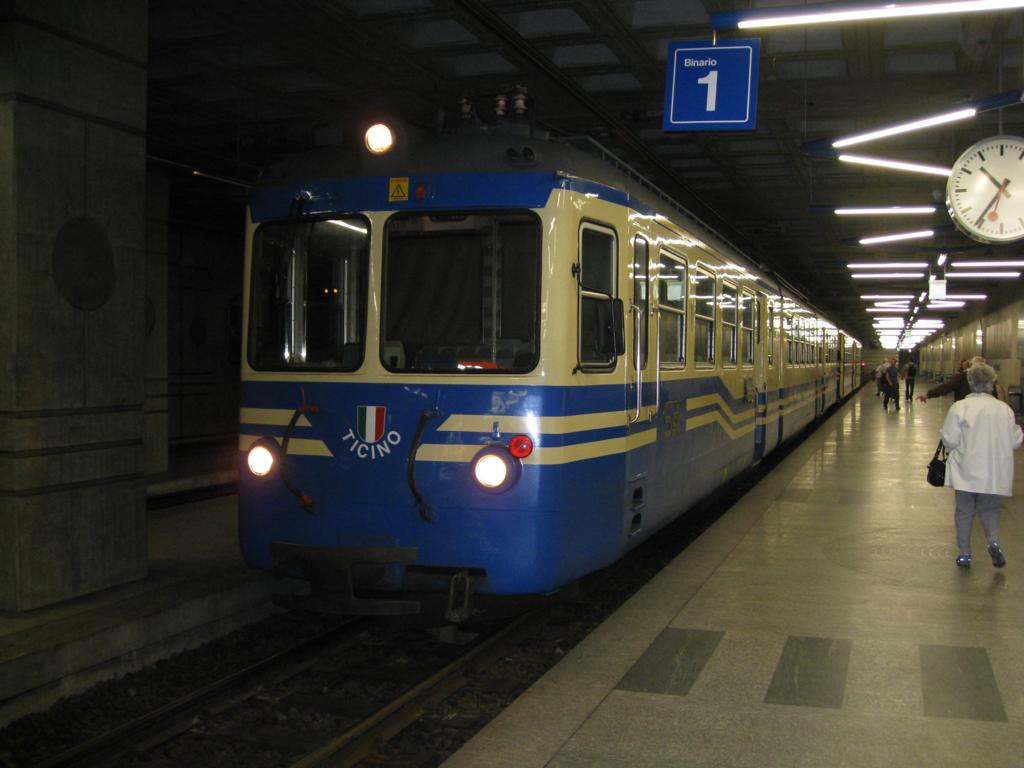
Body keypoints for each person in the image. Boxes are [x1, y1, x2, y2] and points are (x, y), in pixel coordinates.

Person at [939, 363, 1023, 568]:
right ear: (991, 383)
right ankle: (993, 541)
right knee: (991, 510)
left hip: (966, 471)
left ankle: (965, 553)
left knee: (964, 512)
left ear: (970, 383)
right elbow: (1015, 441)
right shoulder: (1004, 410)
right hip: (995, 472)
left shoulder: (960, 407)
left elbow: (949, 440)